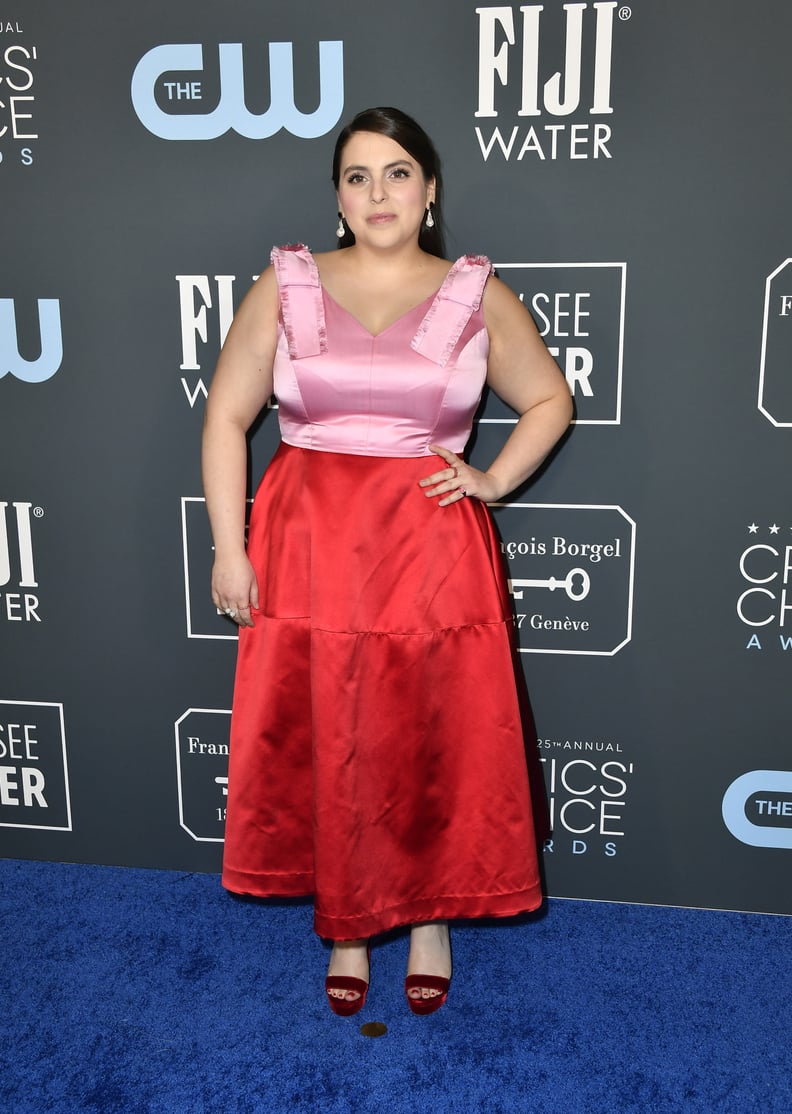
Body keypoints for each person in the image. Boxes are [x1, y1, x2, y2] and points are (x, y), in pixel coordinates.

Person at [201, 107, 572, 1017]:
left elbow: (549, 398)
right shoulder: (286, 282)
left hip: (428, 549)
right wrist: (228, 548)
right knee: (335, 730)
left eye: (398, 172)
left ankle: (430, 916)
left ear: (431, 188)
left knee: (428, 730)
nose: (379, 193)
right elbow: (224, 416)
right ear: (337, 195)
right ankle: (348, 925)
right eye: (359, 175)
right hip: (309, 549)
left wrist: (492, 480)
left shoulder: (475, 292)